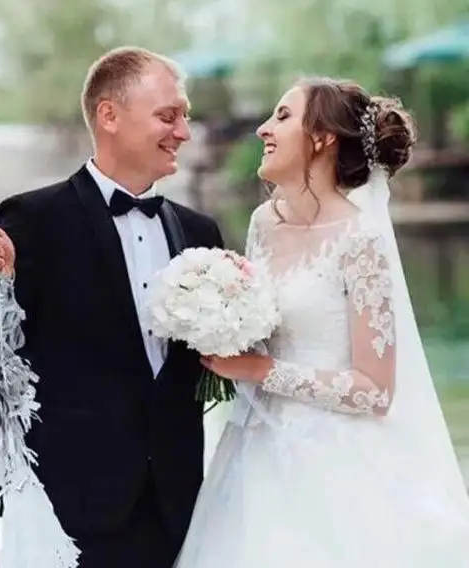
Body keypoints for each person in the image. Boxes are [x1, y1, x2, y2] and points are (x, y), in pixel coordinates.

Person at [174, 76, 469, 567]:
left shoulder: (360, 239)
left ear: (323, 137)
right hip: (254, 448)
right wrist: (218, 319)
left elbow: (375, 391)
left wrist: (262, 370)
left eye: (283, 116)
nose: (263, 129)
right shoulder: (263, 222)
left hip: (336, 462)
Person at [0, 47, 225, 568]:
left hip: (178, 507)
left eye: (185, 117)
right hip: (72, 512)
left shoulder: (201, 233)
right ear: (109, 115)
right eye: (168, 116)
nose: (183, 132)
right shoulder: (32, 219)